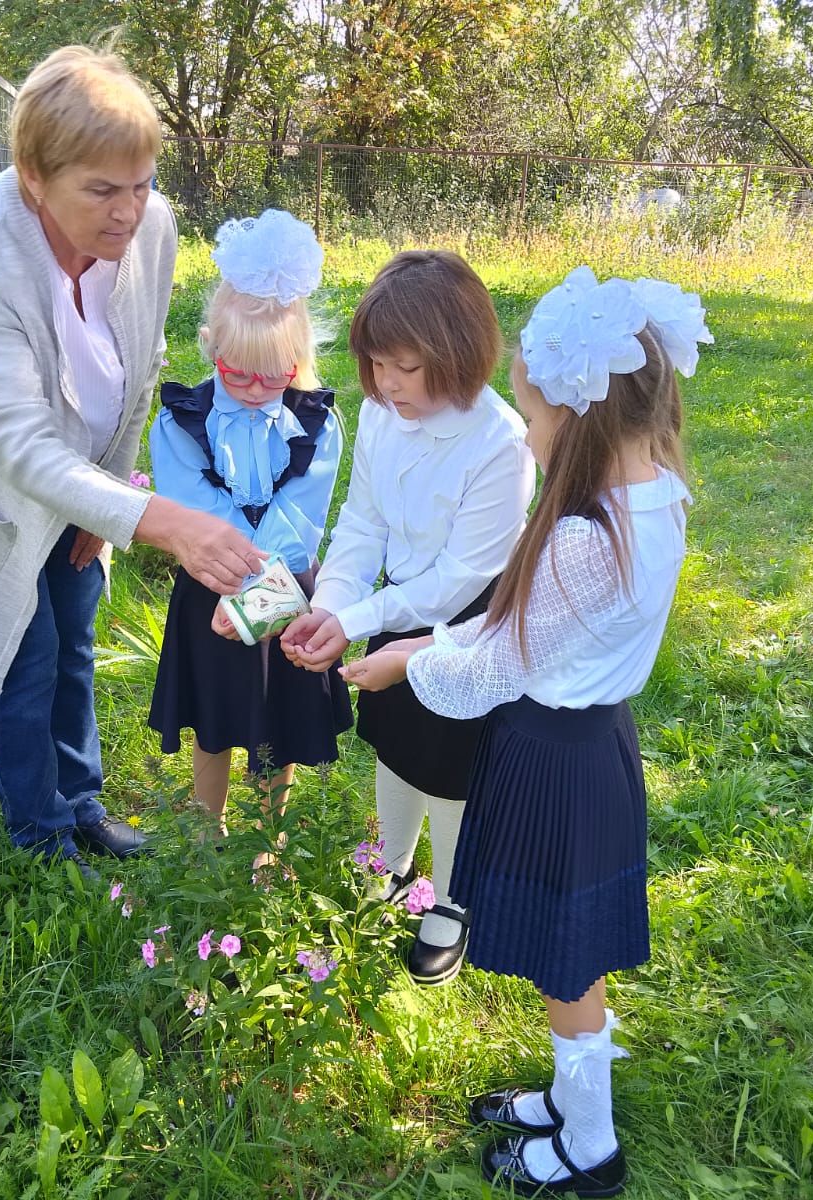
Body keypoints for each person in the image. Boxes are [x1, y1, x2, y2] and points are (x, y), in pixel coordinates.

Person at [344, 267, 711, 1195]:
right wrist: (431, 636)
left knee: (566, 967)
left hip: (559, 762)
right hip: (593, 749)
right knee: (568, 957)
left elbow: (491, 673)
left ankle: (588, 1149)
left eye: (539, 423)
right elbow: (515, 623)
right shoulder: (654, 496)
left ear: (580, 422)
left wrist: (404, 660)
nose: (533, 439)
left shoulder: (590, 541)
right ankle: (564, 1098)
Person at [0, 46, 265, 877]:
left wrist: (115, 491)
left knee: (73, 633)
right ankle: (41, 839)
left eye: (140, 183)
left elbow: (135, 367)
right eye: (102, 189)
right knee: (20, 647)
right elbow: (15, 441)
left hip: (81, 466)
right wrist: (160, 521)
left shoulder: (151, 227)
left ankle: (82, 804)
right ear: (34, 175)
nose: (129, 211)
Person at [282, 251, 533, 984]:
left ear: (458, 354)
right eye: (376, 364)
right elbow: (362, 521)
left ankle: (451, 897)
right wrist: (331, 606)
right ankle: (390, 866)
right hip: (396, 601)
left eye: (406, 366)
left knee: (452, 764)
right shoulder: (382, 414)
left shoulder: (501, 445)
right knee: (393, 736)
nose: (387, 382)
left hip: (466, 619)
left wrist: (360, 614)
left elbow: (461, 578)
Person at [146, 210, 352, 857]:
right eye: (240, 374)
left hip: (285, 589)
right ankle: (208, 828)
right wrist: (235, 581)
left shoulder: (317, 424)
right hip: (209, 588)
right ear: (212, 346)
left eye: (276, 376)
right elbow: (195, 510)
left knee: (277, 721)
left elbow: (301, 514)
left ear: (298, 364)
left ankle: (269, 839)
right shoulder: (182, 422)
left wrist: (262, 597)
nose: (258, 390)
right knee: (214, 719)